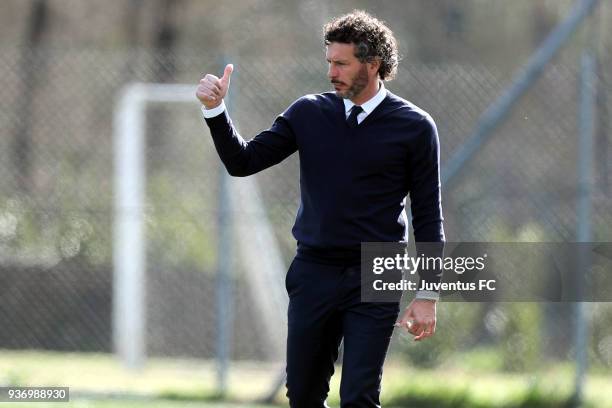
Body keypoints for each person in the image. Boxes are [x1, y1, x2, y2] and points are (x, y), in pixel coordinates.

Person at [197, 10, 445, 408]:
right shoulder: (307, 113)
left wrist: (428, 292)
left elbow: (429, 215)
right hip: (315, 269)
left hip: (377, 269)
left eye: (342, 63)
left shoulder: (415, 126)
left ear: (373, 64)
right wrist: (215, 111)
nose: (332, 71)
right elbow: (242, 162)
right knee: (304, 395)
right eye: (329, 61)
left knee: (359, 396)